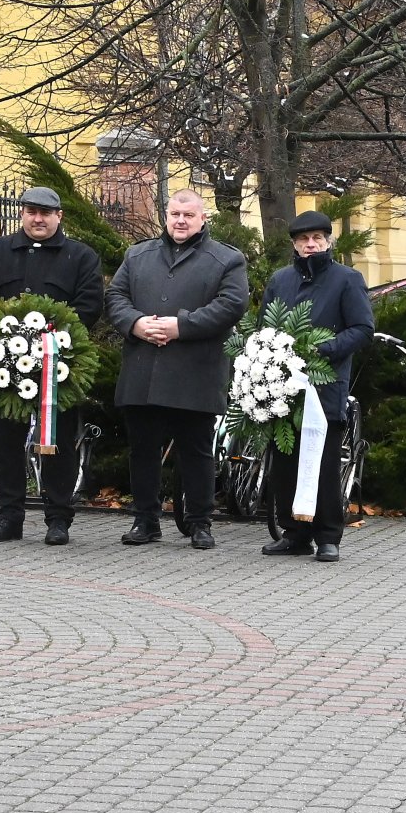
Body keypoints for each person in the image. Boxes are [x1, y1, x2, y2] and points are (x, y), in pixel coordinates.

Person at [106, 188, 249, 549]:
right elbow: (115, 297)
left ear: (203, 218)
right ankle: (145, 520)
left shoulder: (226, 259)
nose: (181, 220)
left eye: (188, 214)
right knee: (143, 451)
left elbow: (231, 305)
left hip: (195, 373)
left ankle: (200, 522)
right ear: (166, 216)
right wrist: (137, 324)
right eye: (174, 214)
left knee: (197, 453)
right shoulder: (138, 255)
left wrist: (179, 326)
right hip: (144, 371)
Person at [0, 186, 106, 545]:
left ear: (59, 216)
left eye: (45, 213)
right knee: (6, 441)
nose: (38, 218)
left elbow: (89, 305)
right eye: (31, 211)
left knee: (58, 442)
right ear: (22, 214)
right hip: (7, 364)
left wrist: (53, 339)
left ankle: (58, 519)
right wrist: (7, 333)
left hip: (58, 366)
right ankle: (9, 517)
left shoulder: (80, 256)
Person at [259, 211, 374, 562]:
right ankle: (293, 534)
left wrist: (322, 351)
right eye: (303, 240)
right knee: (284, 463)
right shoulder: (280, 280)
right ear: (294, 244)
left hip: (325, 388)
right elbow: (265, 327)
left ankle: (327, 536)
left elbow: (362, 328)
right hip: (282, 390)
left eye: (318, 239)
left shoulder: (346, 279)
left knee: (322, 466)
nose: (311, 245)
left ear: (328, 241)